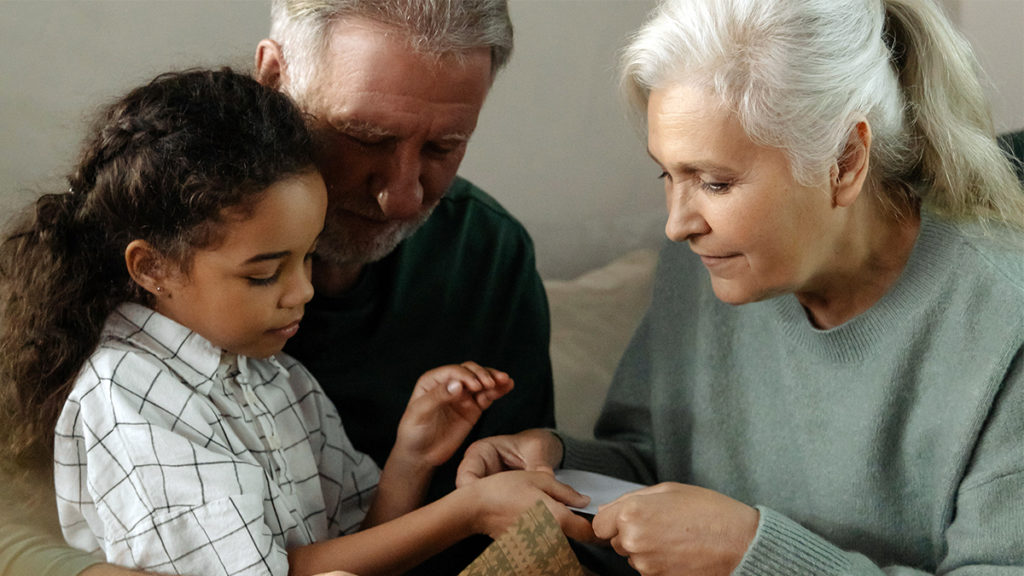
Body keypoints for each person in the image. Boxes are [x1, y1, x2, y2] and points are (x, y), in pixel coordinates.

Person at [456, 0, 1024, 574]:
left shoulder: (1006, 323)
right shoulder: (705, 269)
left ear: (846, 160)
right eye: (668, 174)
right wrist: (560, 464)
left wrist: (750, 552)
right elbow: (664, 466)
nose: (678, 225)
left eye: (716, 182)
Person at [0, 1, 556, 575]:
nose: (403, 196)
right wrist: (464, 512)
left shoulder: (278, 375)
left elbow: (368, 532)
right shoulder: (127, 381)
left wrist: (413, 459)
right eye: (365, 136)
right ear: (274, 78)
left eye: (444, 147)